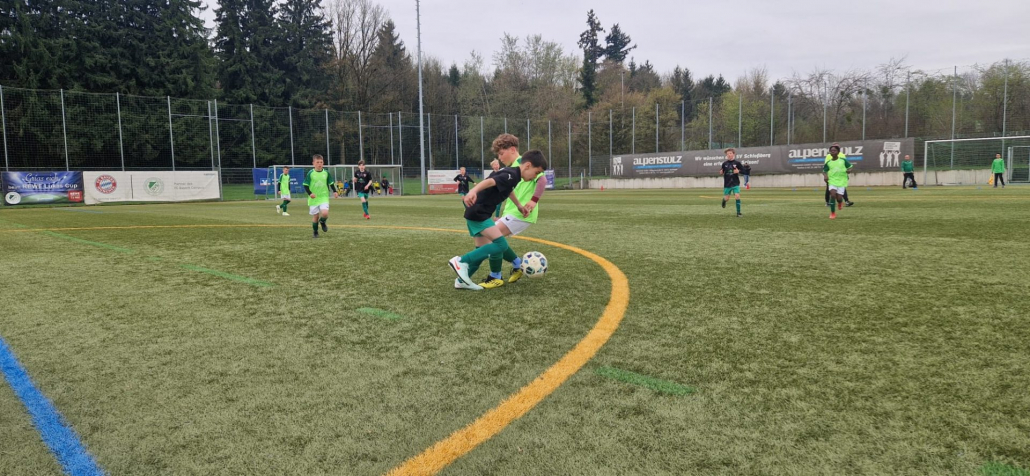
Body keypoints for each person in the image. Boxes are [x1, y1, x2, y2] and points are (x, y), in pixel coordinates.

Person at [448, 151, 548, 290]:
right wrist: (473, 191)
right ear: (527, 166)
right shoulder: (511, 175)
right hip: (479, 213)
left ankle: (461, 281)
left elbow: (508, 189)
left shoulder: (513, 174)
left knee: (481, 250)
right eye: (536, 172)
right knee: (500, 245)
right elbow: (490, 181)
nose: (535, 177)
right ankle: (461, 261)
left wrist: (519, 206)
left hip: (476, 212)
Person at [480, 145, 547, 289]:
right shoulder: (511, 168)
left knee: (492, 238)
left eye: (501, 153)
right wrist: (501, 215)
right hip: (512, 213)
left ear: (512, 149)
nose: (500, 158)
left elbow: (542, 180)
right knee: (495, 239)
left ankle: (496, 276)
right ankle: (517, 264)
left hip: (522, 214)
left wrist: (533, 201)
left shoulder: (525, 163)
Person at [303, 155, 339, 238]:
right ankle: (315, 232)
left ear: (323, 163)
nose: (319, 164)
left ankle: (322, 221)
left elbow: (331, 183)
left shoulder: (326, 173)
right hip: (314, 198)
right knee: (316, 216)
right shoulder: (310, 173)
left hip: (323, 197)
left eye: (321, 162)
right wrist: (310, 193)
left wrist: (335, 191)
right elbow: (305, 184)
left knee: (325, 213)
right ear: (313, 163)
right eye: (317, 162)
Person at [823, 150, 854, 220]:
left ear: (838, 152)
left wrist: (849, 170)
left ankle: (840, 202)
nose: (833, 151)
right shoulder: (828, 162)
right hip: (832, 180)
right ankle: (832, 213)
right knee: (833, 195)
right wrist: (825, 176)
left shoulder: (843, 160)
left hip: (841, 181)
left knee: (839, 198)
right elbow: (824, 170)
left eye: (834, 150)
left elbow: (850, 166)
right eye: (831, 150)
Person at [719, 148, 744, 217]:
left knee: (737, 196)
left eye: (730, 153)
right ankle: (724, 200)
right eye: (727, 154)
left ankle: (738, 213)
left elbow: (744, 171)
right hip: (727, 184)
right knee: (727, 198)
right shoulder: (724, 164)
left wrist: (739, 171)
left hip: (735, 183)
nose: (729, 155)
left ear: (733, 154)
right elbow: (721, 171)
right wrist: (721, 172)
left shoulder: (737, 163)